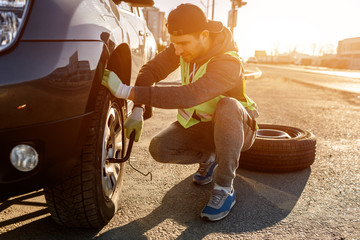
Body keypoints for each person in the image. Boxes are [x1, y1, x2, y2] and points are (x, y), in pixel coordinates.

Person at [101, 3, 259, 221]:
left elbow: (190, 95)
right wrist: (137, 110)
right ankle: (211, 157)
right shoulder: (184, 46)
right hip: (202, 128)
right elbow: (150, 70)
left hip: (239, 128)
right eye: (174, 44)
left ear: (204, 35)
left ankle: (224, 188)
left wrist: (125, 91)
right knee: (160, 148)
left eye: (183, 44)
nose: (177, 50)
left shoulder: (228, 61)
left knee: (228, 106)